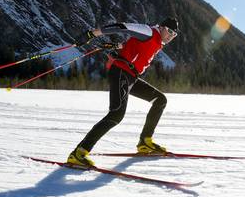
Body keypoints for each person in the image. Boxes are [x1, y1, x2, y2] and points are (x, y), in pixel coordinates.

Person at [67, 17, 179, 166]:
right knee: (116, 114)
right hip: (121, 72)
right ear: (162, 27)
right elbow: (122, 26)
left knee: (160, 100)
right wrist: (92, 34)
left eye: (174, 35)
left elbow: (132, 46)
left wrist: (116, 46)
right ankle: (79, 153)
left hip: (131, 77)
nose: (171, 36)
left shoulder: (158, 42)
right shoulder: (149, 32)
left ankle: (145, 142)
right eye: (170, 31)